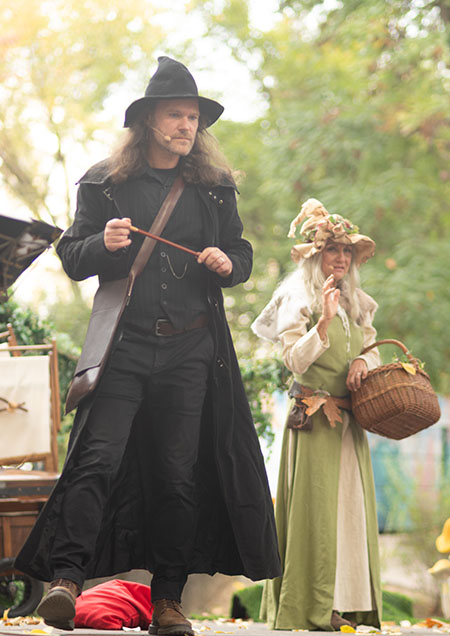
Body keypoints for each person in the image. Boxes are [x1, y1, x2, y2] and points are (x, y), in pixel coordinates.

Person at [15, 56, 281, 633]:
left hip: (191, 351)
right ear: (148, 120)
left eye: (193, 117)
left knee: (177, 476)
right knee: (95, 460)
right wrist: (104, 244)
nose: (186, 126)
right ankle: (65, 580)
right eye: (176, 115)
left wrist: (227, 262)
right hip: (124, 347)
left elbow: (242, 254)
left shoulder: (214, 190)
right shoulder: (105, 183)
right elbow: (72, 257)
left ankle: (167, 601)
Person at [252, 198, 382, 631]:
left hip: (349, 421)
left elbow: (372, 347)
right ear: (315, 255)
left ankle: (344, 603)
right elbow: (294, 360)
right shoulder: (298, 297)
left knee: (349, 511)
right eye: (332, 250)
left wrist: (364, 360)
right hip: (312, 420)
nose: (341, 258)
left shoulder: (356, 301)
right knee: (317, 514)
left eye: (347, 251)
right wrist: (322, 323)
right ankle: (311, 606)